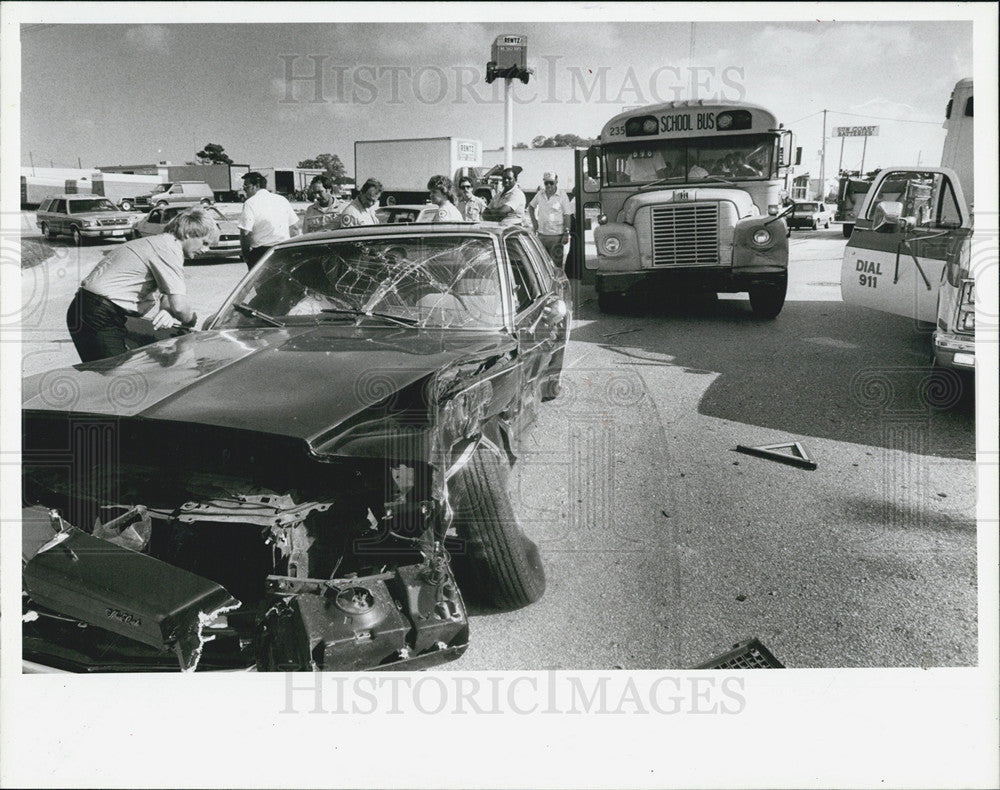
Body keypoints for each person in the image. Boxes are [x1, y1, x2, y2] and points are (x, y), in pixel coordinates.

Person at [66, 207, 217, 363]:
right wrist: (190, 320)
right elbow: (180, 307)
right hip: (97, 313)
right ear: (189, 233)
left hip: (90, 310)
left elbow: (166, 291)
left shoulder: (160, 243)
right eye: (205, 243)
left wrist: (167, 310)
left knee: (108, 372)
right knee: (115, 374)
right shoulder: (170, 249)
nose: (206, 250)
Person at [238, 171, 300, 269]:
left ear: (256, 186)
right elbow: (295, 228)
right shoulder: (282, 200)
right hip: (283, 251)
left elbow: (245, 233)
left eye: (246, 186)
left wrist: (246, 256)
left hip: (261, 253)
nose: (244, 189)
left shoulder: (250, 203)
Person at [528, 171, 573, 267]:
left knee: (556, 266)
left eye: (551, 182)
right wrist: (534, 222)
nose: (548, 185)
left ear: (556, 182)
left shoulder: (562, 195)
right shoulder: (540, 194)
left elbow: (567, 215)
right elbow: (531, 207)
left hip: (556, 237)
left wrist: (566, 233)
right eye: (546, 183)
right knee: (541, 265)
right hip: (541, 236)